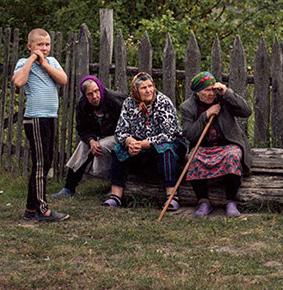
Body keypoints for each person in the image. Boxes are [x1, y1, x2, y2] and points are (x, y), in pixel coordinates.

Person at [102, 72, 186, 211]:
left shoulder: (163, 102)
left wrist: (147, 143)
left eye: (150, 86)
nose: (148, 90)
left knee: (165, 149)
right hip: (138, 145)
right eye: (143, 88)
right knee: (118, 150)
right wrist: (129, 141)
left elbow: (171, 133)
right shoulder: (129, 103)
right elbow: (120, 131)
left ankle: (172, 196)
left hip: (166, 142)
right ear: (136, 90)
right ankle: (115, 196)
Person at [12, 28, 69, 222]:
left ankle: (30, 208)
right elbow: (18, 82)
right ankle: (41, 209)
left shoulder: (51, 62)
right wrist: (31, 60)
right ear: (30, 46)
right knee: (40, 163)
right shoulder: (23, 63)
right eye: (40, 45)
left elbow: (63, 80)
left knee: (45, 162)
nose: (44, 48)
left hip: (51, 117)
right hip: (35, 119)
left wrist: (44, 63)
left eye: (47, 45)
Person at [180, 72, 253, 218]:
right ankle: (203, 202)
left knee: (232, 156)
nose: (211, 93)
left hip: (228, 144)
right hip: (203, 147)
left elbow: (246, 111)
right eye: (207, 90)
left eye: (213, 89)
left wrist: (227, 92)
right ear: (197, 92)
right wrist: (205, 115)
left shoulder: (223, 99)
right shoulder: (187, 107)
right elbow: (190, 134)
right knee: (194, 159)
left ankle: (231, 201)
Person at [52, 76, 126, 198]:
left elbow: (128, 120)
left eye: (96, 91)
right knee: (83, 145)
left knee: (102, 146)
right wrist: (91, 140)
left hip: (120, 135)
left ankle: (114, 185)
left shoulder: (114, 100)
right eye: (90, 94)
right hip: (98, 136)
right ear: (85, 95)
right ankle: (69, 188)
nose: (95, 96)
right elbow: (82, 128)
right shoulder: (83, 105)